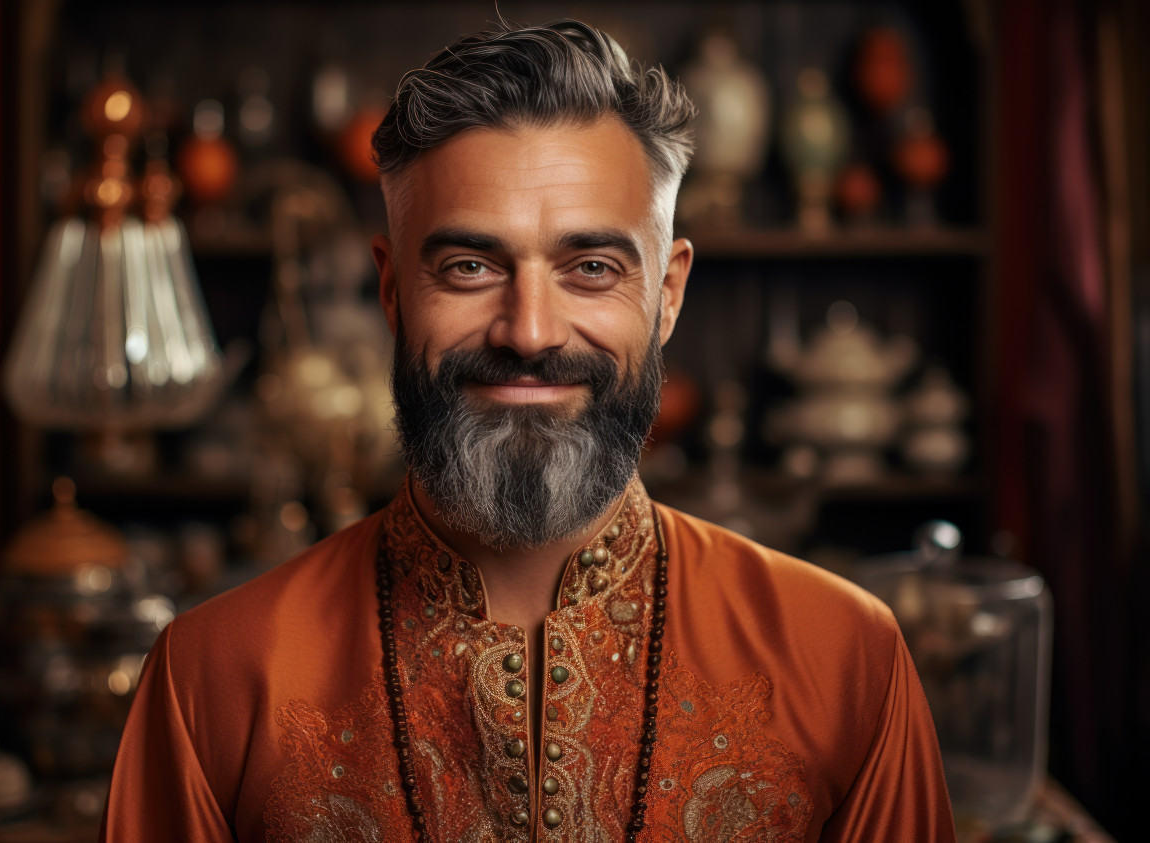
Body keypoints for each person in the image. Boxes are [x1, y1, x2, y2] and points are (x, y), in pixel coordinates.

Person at [101, 20, 955, 842]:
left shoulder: (848, 662)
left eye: (590, 269)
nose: (530, 331)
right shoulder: (211, 675)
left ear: (668, 294)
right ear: (393, 290)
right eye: (470, 267)